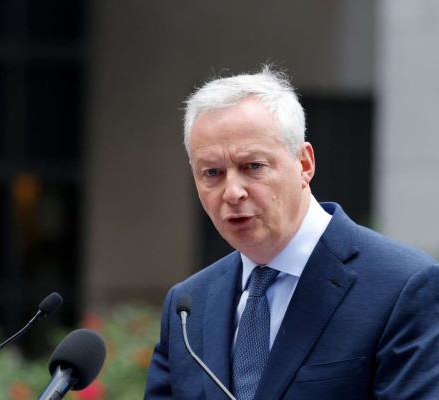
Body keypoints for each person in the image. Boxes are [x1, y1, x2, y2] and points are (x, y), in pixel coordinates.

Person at [144, 66, 439, 400]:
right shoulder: (187, 307)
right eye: (212, 173)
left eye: (253, 166)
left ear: (304, 164)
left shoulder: (402, 286)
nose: (232, 192)